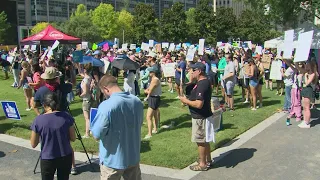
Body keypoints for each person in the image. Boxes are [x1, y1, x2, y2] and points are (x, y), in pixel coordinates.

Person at [91, 75, 143, 180]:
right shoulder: (137, 101)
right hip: (132, 155)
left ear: (105, 89)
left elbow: (97, 134)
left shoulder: (107, 105)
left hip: (112, 159)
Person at [33, 66, 78, 174]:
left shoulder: (41, 90)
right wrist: (71, 72)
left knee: (47, 141)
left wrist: (39, 115)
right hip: (63, 118)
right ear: (56, 78)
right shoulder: (63, 87)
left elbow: (34, 104)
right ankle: (73, 166)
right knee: (67, 143)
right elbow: (73, 84)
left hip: (46, 118)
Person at [30, 92, 76, 180]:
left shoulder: (38, 120)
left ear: (44, 104)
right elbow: (73, 138)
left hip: (48, 157)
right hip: (65, 156)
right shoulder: (66, 116)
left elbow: (33, 144)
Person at [179, 62, 213, 171]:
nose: (191, 72)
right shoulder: (200, 82)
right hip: (202, 115)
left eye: (193, 70)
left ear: (199, 71)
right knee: (205, 139)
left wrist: (186, 101)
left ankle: (202, 163)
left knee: (200, 141)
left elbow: (199, 104)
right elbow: (189, 91)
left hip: (200, 116)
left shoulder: (203, 84)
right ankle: (208, 159)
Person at [144, 67, 162, 139]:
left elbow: (149, 91)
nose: (149, 73)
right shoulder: (154, 80)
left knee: (148, 117)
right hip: (155, 98)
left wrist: (145, 91)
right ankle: (155, 129)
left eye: (150, 72)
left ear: (153, 73)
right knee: (155, 115)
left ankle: (149, 133)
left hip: (153, 98)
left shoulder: (155, 80)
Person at [299, 62, 316, 128]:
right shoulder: (306, 72)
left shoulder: (312, 74)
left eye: (308, 65)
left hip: (308, 90)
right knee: (304, 107)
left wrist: (306, 76)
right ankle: (305, 120)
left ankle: (307, 122)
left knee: (307, 107)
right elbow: (298, 68)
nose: (306, 66)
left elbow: (307, 83)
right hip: (304, 90)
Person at [79, 63, 93, 138]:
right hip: (90, 98)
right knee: (90, 116)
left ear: (85, 70)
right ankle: (91, 130)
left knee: (87, 118)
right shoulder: (90, 77)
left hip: (86, 99)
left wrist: (79, 95)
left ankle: (87, 133)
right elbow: (82, 74)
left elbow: (85, 92)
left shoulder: (85, 81)